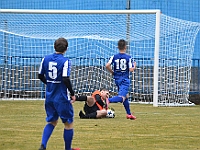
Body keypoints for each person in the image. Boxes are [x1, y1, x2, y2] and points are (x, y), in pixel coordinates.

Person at [38, 38, 80, 150]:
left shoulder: (45, 59)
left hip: (49, 96)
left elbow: (40, 75)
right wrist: (72, 93)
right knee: (68, 123)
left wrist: (49, 83)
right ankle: (67, 149)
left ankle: (43, 145)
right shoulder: (65, 61)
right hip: (61, 97)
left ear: (54, 47)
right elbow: (65, 78)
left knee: (52, 121)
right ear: (66, 49)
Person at [105, 39, 137, 120]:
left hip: (117, 79)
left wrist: (112, 72)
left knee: (125, 97)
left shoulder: (114, 57)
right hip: (124, 80)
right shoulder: (128, 57)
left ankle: (129, 114)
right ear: (125, 47)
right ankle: (109, 100)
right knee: (122, 97)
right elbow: (130, 69)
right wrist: (134, 66)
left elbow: (107, 65)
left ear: (118, 47)